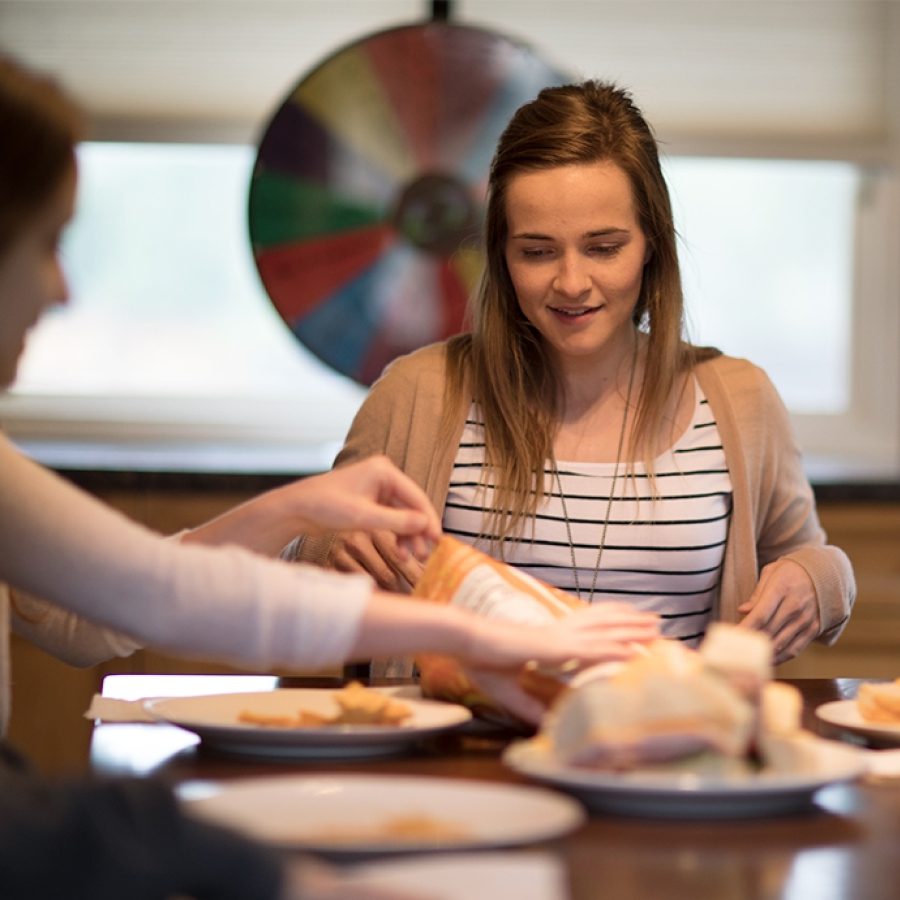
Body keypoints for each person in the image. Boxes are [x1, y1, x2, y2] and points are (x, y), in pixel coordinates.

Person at [0, 57, 661, 899]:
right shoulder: (420, 385)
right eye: (48, 242)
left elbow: (121, 598)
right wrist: (486, 635)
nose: (63, 289)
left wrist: (290, 509)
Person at [296, 79, 856, 672]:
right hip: (459, 750)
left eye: (603, 248)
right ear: (501, 256)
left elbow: (809, 556)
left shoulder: (739, 398)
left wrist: (817, 580)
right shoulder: (417, 392)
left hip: (670, 747)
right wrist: (328, 549)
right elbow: (300, 559)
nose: (570, 283)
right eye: (537, 252)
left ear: (651, 247)